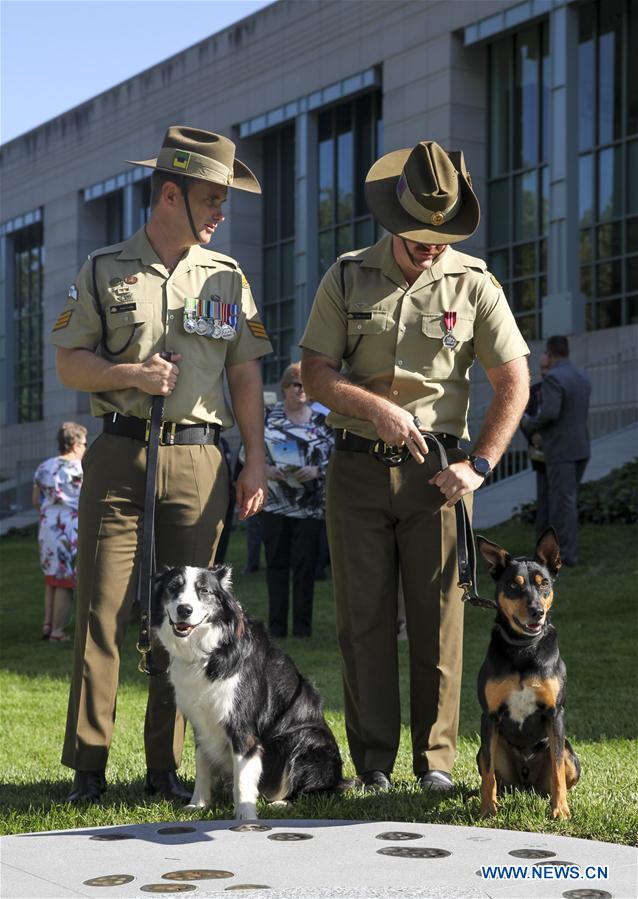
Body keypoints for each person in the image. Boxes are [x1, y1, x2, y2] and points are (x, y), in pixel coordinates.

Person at [301, 140, 530, 794]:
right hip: (358, 468)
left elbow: (512, 380)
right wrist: (371, 408)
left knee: (439, 621)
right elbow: (315, 371)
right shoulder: (346, 276)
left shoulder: (474, 282)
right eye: (418, 240)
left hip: (440, 472)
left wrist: (480, 464)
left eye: (441, 239)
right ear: (392, 222)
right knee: (363, 620)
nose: (431, 250)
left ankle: (435, 762)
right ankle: (372, 761)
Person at [51, 126, 271, 804]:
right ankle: (89, 766)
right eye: (211, 198)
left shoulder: (228, 276)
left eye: (224, 201)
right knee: (103, 611)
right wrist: (129, 374)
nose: (220, 212)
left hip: (202, 462)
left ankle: (165, 767)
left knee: (189, 618)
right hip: (119, 456)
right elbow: (68, 359)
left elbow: (245, 373)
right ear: (170, 193)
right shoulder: (103, 268)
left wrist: (255, 458)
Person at [261, 362, 333, 638]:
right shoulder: (269, 418)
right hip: (275, 503)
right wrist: (266, 470)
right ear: (284, 388)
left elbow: (334, 457)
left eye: (306, 385)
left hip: (310, 507)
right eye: (296, 384)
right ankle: (276, 627)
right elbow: (247, 453)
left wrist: (317, 470)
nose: (302, 390)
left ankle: (303, 628)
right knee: (276, 566)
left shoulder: (321, 421)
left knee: (305, 569)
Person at [521, 335, 591, 566]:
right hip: (581, 448)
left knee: (562, 507)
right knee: (567, 503)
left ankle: (565, 556)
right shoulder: (582, 376)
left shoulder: (554, 379)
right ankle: (563, 552)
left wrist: (528, 423)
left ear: (550, 354)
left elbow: (550, 413)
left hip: (560, 450)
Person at [32, 421, 87, 642]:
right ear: (74, 444)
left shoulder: (44, 467)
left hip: (47, 528)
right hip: (70, 530)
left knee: (51, 579)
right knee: (65, 582)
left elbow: (36, 501)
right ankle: (57, 632)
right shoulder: (81, 469)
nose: (85, 447)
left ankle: (47, 624)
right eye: (84, 443)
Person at [522, 353, 550, 537]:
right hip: (540, 455)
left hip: (559, 452)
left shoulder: (561, 389)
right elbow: (522, 418)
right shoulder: (533, 391)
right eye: (542, 368)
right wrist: (532, 437)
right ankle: (542, 538)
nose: (544, 372)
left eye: (547, 367)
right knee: (544, 499)